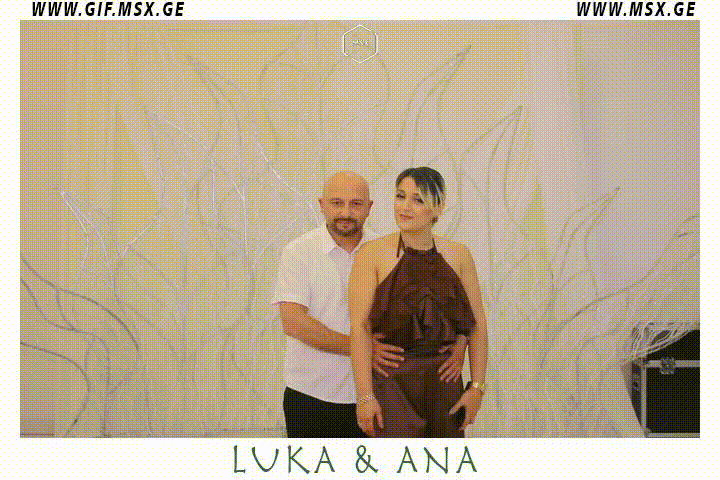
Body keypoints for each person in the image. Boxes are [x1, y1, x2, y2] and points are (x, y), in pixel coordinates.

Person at [272, 170, 466, 437]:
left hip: (382, 395)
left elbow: (433, 309)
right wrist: (365, 348)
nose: (346, 212)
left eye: (356, 204)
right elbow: (294, 323)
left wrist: (459, 342)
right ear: (322, 204)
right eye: (337, 203)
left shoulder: (388, 251)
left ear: (369, 207)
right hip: (312, 395)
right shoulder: (298, 252)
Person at [350, 166, 489, 437]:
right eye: (400, 196)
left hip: (445, 382)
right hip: (391, 385)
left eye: (418, 199)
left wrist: (476, 388)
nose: (405, 207)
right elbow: (359, 327)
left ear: (439, 208)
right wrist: (365, 396)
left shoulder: (459, 254)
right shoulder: (371, 254)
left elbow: (477, 324)